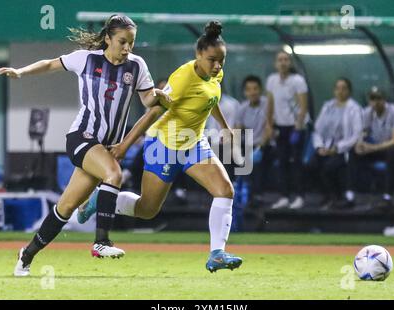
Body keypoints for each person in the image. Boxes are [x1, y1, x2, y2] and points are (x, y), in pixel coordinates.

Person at [0, 15, 171, 276]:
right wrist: (20, 72)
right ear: (108, 38)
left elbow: (148, 101)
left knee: (65, 208)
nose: (127, 48)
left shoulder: (136, 66)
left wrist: (160, 96)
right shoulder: (86, 59)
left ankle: (27, 254)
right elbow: (48, 64)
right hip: (82, 137)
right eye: (122, 42)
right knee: (114, 174)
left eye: (131, 43)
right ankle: (101, 241)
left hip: (105, 147)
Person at [77, 21, 243, 273]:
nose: (218, 65)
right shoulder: (183, 77)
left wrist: (224, 126)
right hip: (163, 144)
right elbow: (153, 111)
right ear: (198, 55)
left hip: (193, 142)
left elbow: (211, 97)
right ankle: (102, 198)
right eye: (212, 60)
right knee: (147, 210)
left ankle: (217, 254)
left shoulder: (213, 72)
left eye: (221, 60)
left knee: (225, 190)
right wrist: (124, 145)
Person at [309, 78, 363, 209]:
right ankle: (326, 195)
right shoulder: (328, 106)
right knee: (312, 164)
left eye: (344, 88)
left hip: (343, 149)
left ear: (349, 91)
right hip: (326, 147)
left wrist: (337, 148)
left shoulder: (354, 109)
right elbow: (317, 130)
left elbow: (357, 134)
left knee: (329, 167)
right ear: (334, 90)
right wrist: (319, 146)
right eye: (338, 88)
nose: (340, 91)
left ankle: (336, 197)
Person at [266, 51, 308, 210]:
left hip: (296, 127)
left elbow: (303, 106)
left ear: (290, 63)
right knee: (282, 162)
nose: (283, 63)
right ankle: (284, 196)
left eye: (286, 60)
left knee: (296, 162)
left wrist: (298, 127)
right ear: (276, 64)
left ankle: (300, 196)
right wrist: (269, 126)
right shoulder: (271, 81)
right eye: (280, 60)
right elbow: (270, 105)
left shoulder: (298, 81)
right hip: (280, 127)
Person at [355, 87, 394, 208]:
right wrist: (359, 143)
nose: (376, 102)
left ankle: (387, 196)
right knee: (355, 152)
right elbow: (362, 132)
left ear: (384, 100)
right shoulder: (367, 112)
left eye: (379, 98)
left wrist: (372, 148)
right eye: (372, 98)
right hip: (379, 146)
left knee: (392, 152)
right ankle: (352, 194)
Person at [235, 75, 272, 206]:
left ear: (260, 90)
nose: (252, 92)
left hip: (265, 145)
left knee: (258, 163)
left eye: (255, 88)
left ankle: (258, 197)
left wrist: (260, 148)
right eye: (249, 89)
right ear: (245, 92)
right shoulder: (242, 108)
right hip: (248, 145)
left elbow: (269, 128)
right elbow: (238, 130)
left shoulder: (268, 104)